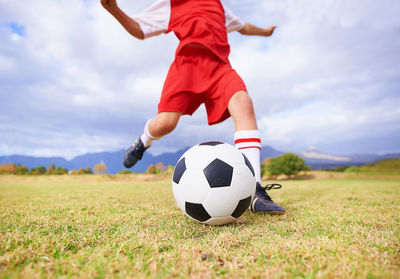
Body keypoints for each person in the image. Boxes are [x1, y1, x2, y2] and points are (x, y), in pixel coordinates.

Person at [101, 0, 285, 214]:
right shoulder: (172, 4)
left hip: (219, 69)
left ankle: (255, 190)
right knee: (165, 124)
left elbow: (243, 27)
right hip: (186, 69)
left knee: (243, 103)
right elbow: (140, 29)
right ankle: (143, 141)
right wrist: (112, 8)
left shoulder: (220, 7)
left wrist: (265, 32)